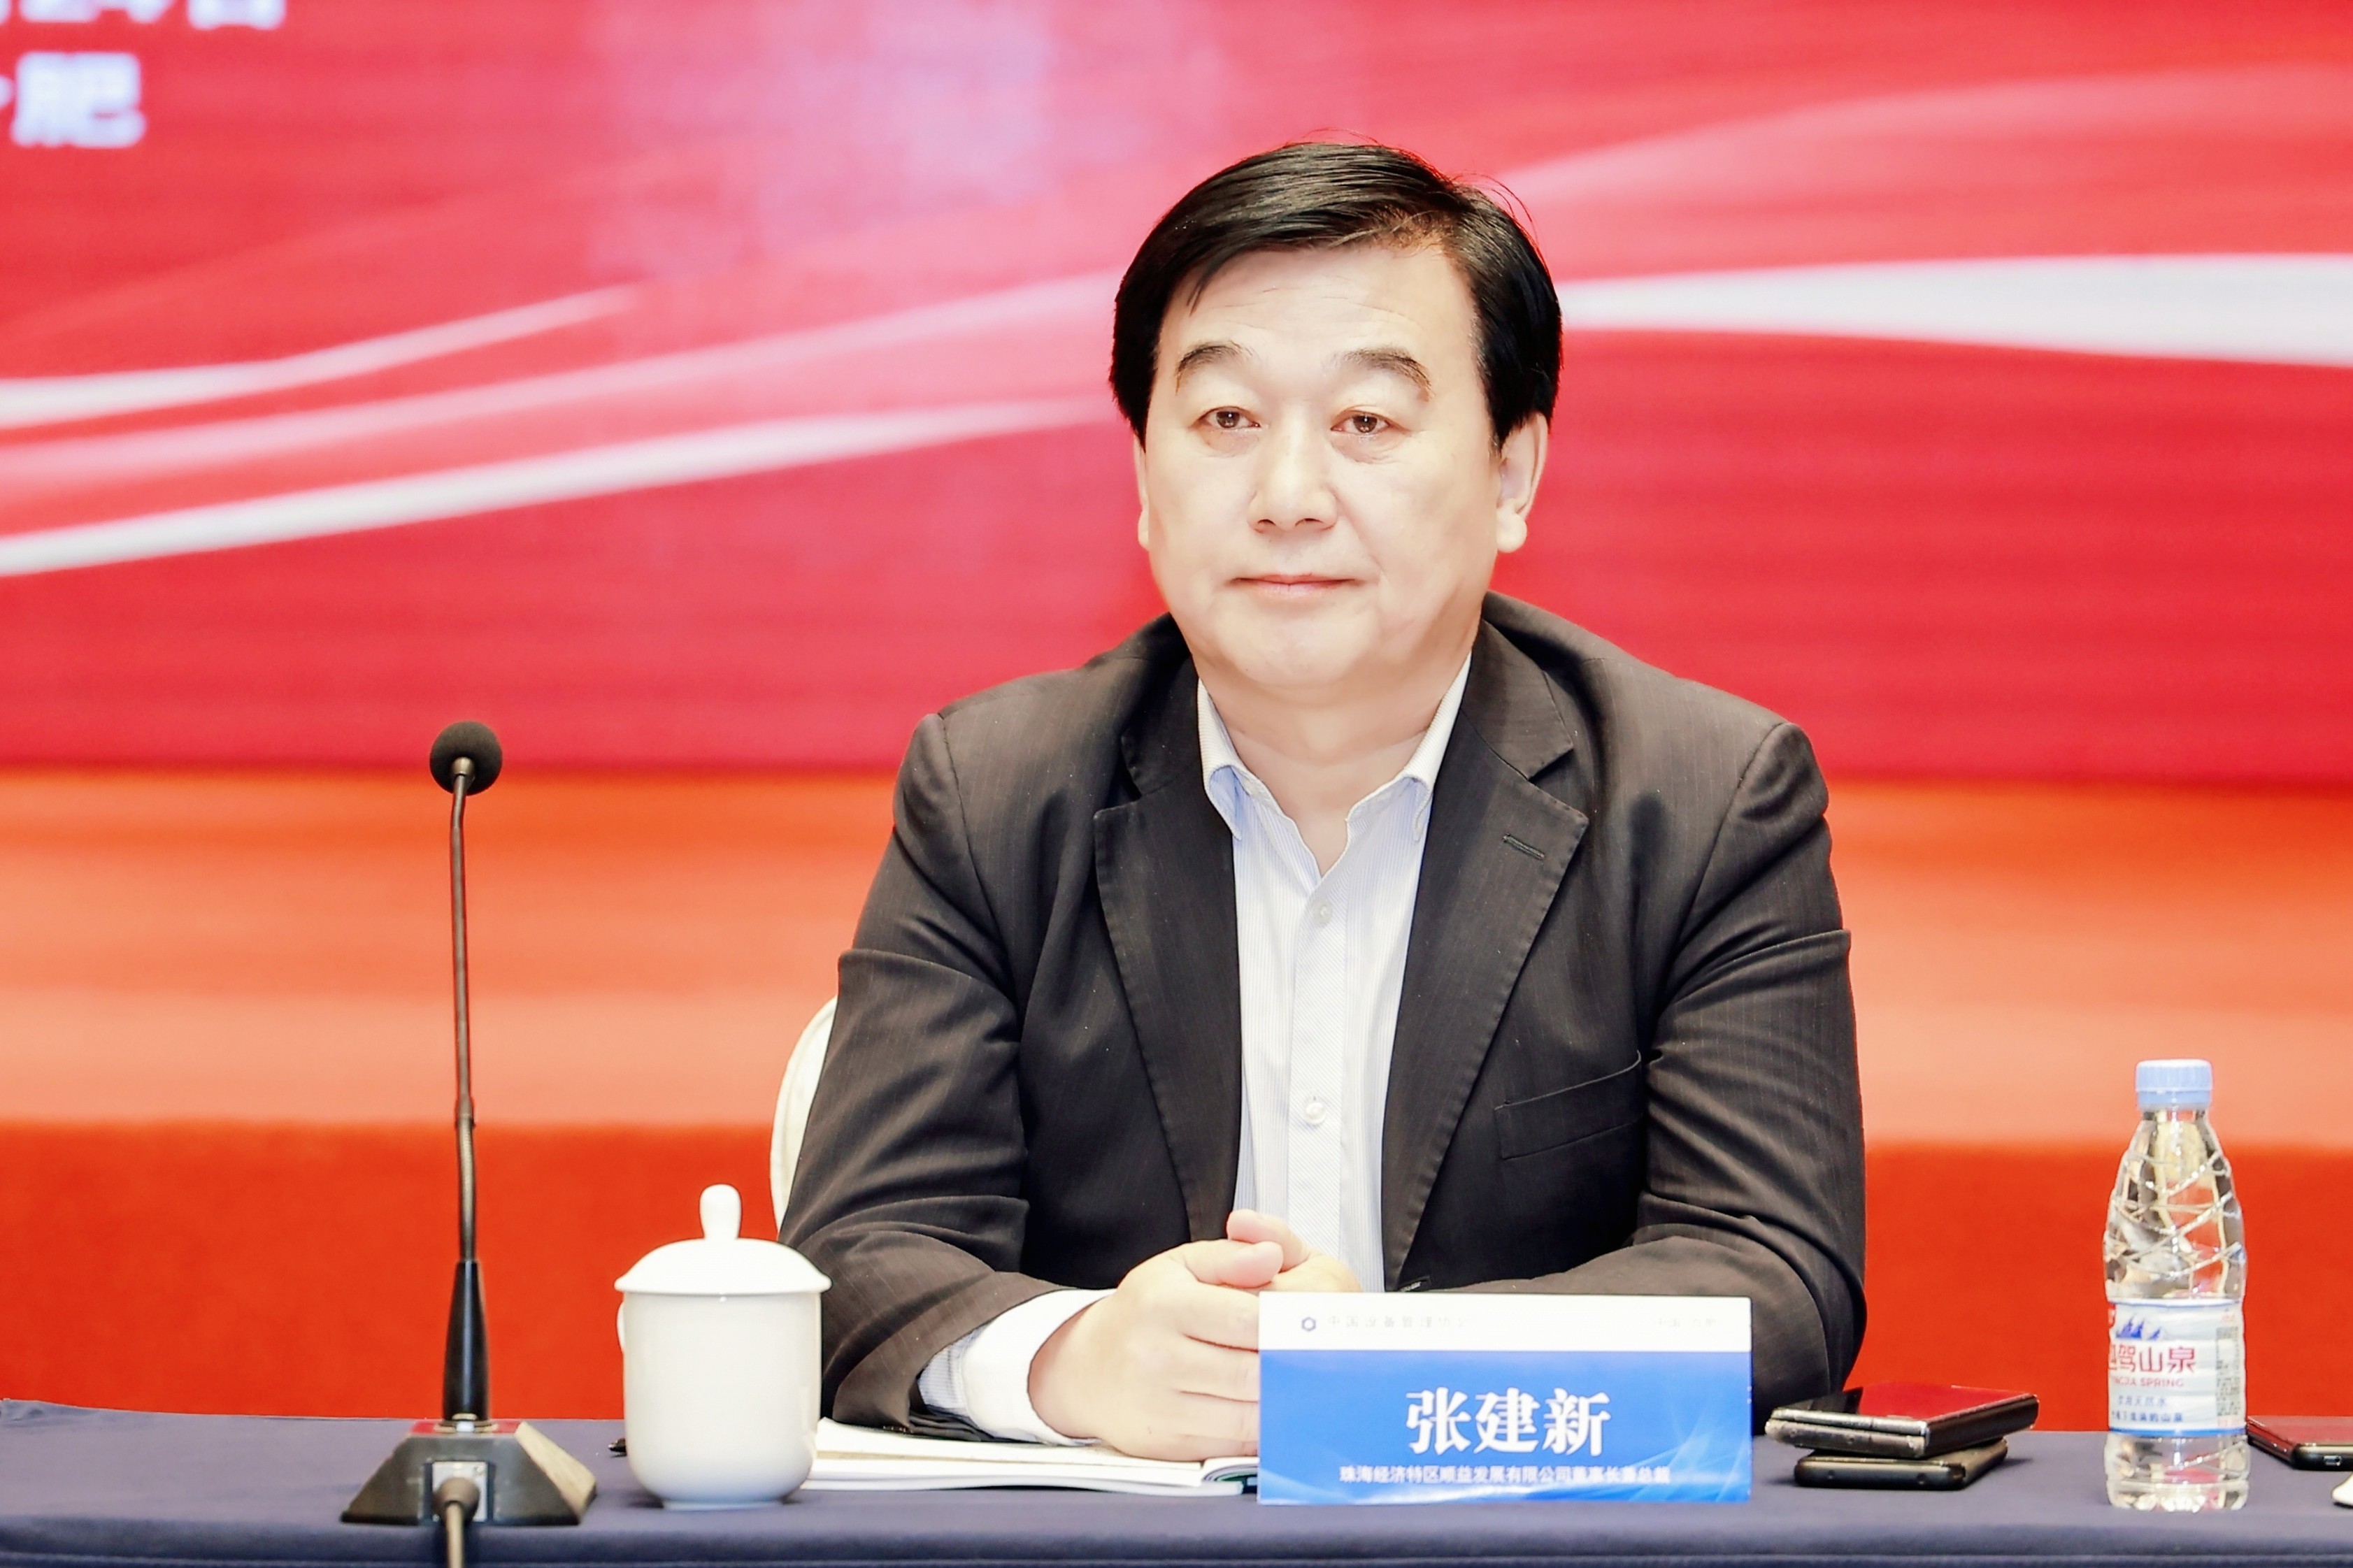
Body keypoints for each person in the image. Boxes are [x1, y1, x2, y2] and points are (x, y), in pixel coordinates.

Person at [782, 141, 1864, 1460]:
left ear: (1511, 475)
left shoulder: (1699, 802)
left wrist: (1381, 1371)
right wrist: (1070, 1358)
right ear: (1142, 476)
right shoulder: (996, 792)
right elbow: (855, 1251)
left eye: (1367, 424)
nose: (1287, 498)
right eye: (1225, 421)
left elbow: (1774, 1277)